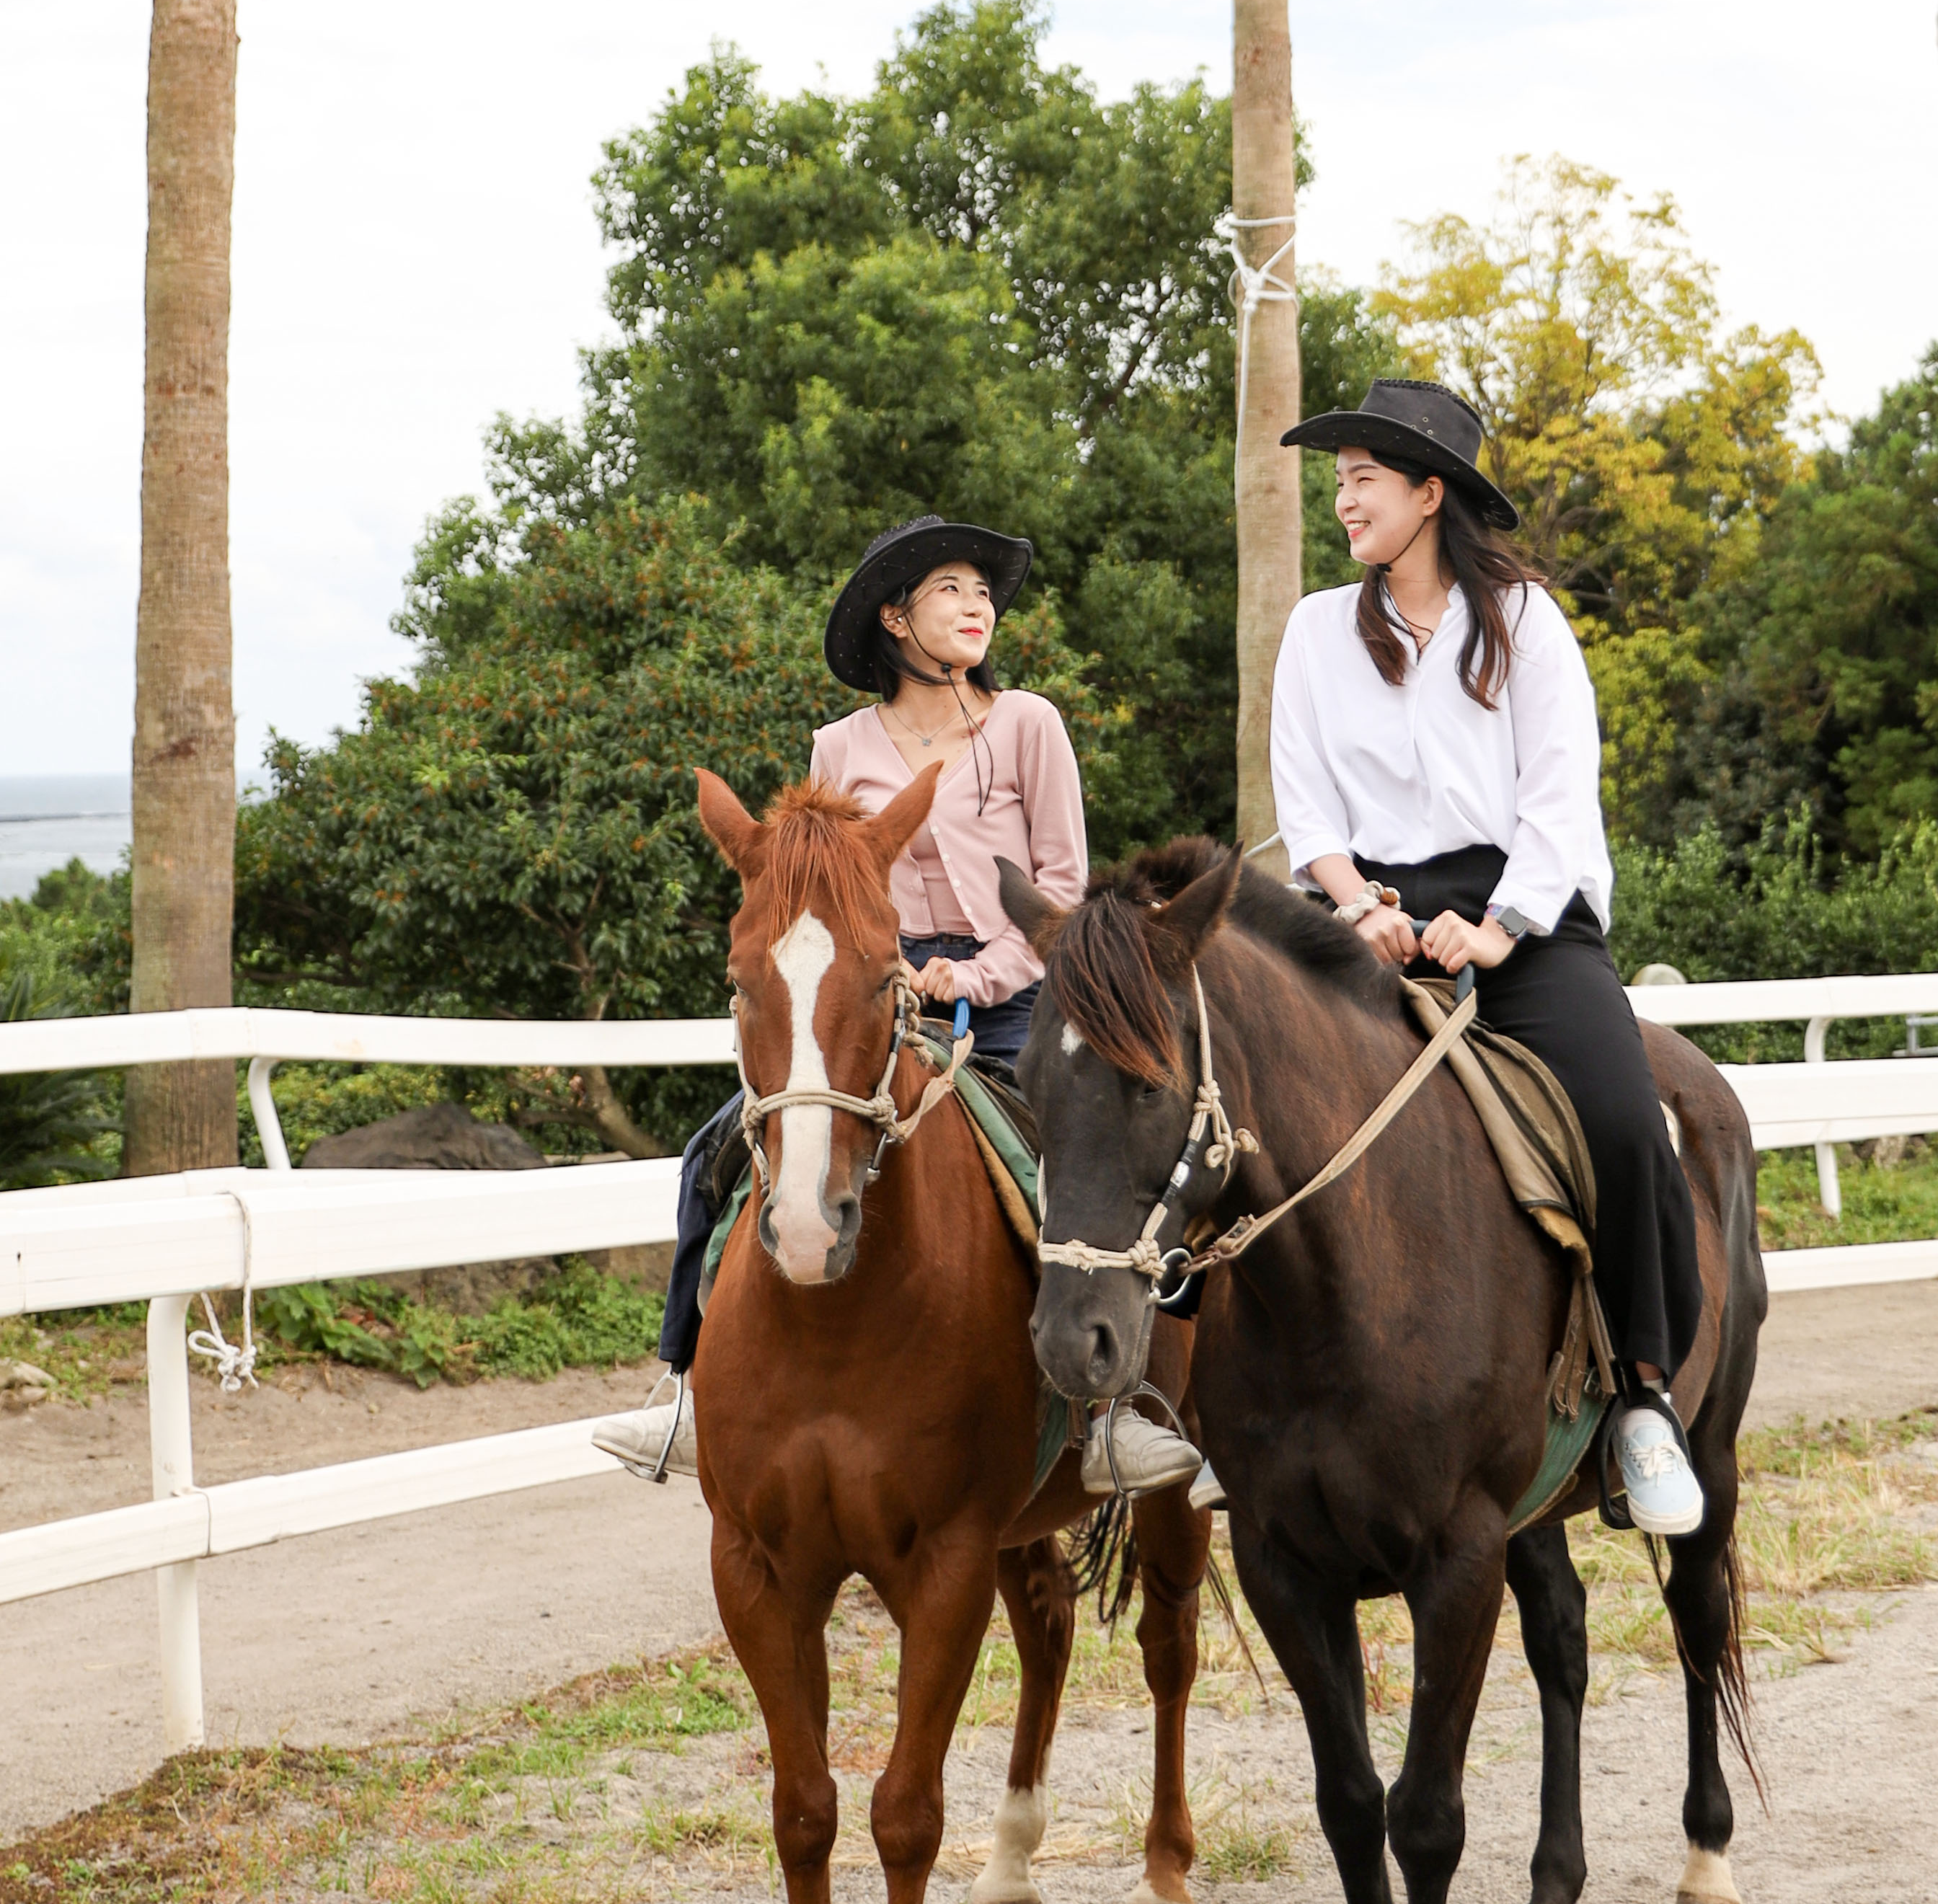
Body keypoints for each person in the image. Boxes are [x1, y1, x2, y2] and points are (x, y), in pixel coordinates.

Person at [592, 508, 1196, 1494]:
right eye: (950, 590)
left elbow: (1062, 879)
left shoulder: (1027, 724)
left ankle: (1115, 1413)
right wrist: (886, 971)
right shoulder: (839, 747)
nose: (978, 606)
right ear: (894, 619)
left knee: (1090, 1157)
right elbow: (829, 893)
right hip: (876, 995)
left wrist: (982, 970)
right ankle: (683, 1390)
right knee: (716, 1152)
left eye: (983, 591)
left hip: (1016, 996)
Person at [1266, 377, 1709, 1541]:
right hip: (1359, 910)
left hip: (1524, 912)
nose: (1344, 498)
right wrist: (1356, 906)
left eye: (1363, 477)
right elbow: (1302, 800)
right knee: (1242, 1093)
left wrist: (1498, 928)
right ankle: (1235, 1406)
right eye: (1341, 478)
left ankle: (1642, 1398)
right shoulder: (1317, 630)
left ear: (1428, 493)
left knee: (1618, 1115)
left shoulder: (1524, 623)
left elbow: (1560, 800)